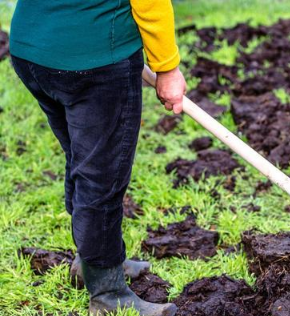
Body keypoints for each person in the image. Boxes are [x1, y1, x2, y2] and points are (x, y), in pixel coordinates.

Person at [9, 1, 185, 315]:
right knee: (101, 176)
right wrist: (167, 68)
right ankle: (108, 293)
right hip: (94, 60)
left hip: (33, 50)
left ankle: (92, 261)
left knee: (83, 158)